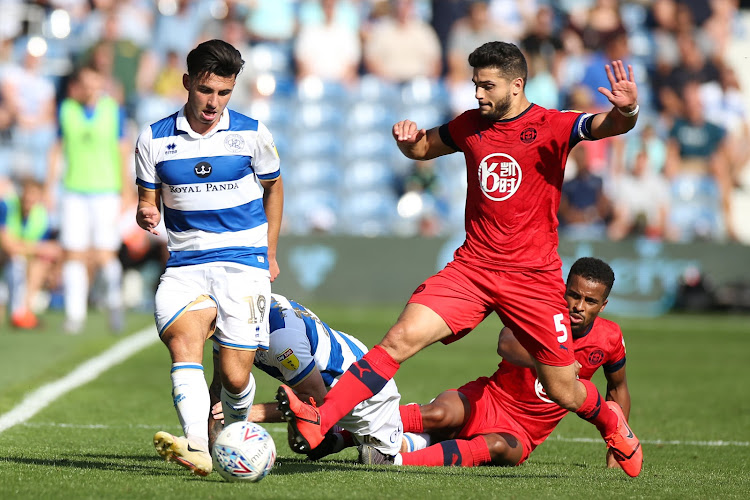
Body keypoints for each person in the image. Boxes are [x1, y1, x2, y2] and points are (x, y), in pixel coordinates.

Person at [277, 41, 643, 477]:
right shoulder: (471, 124)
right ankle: (323, 419)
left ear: (516, 84)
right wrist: (408, 142)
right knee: (399, 339)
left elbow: (610, 125)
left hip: (532, 278)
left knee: (564, 388)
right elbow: (422, 150)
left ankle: (608, 421)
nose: (478, 94)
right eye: (475, 84)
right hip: (472, 268)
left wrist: (629, 111)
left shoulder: (552, 124)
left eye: (487, 85)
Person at [134, 39, 284, 477]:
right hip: (185, 266)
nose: (212, 103)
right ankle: (197, 447)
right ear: (187, 83)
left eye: (223, 93)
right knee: (184, 345)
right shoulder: (153, 138)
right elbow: (148, 201)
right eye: (205, 91)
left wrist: (269, 252)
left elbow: (274, 188)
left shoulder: (252, 133)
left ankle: (233, 434)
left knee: (235, 378)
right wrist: (146, 211)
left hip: (243, 261)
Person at [359, 257, 633, 469]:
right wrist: (553, 362)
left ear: (603, 305)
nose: (579, 306)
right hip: (491, 399)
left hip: (524, 432)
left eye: (590, 301)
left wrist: (616, 443)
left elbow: (617, 388)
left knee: (497, 446)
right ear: (564, 289)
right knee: (438, 414)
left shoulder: (609, 338)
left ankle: (396, 461)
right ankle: (339, 432)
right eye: (574, 295)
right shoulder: (542, 313)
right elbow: (505, 342)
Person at [207, 293, 403, 461]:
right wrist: (213, 453)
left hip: (366, 396)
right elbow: (218, 388)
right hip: (330, 375)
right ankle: (339, 434)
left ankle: (417, 432)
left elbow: (316, 400)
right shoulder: (233, 321)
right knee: (301, 443)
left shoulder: (282, 341)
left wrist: (249, 412)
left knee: (378, 459)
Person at [45, 64, 131, 334]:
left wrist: (126, 189)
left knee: (106, 254)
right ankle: (75, 314)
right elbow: (57, 148)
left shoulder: (113, 111)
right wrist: (49, 186)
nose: (91, 88)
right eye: (87, 83)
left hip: (105, 190)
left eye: (96, 82)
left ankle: (114, 302)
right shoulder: (67, 110)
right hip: (73, 190)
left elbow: (122, 150)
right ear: (78, 85)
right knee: (73, 253)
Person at [0, 177, 61, 329]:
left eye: (34, 195)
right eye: (27, 194)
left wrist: (29, 248)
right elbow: (8, 245)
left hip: (19, 260)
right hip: (5, 258)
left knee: (38, 264)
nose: (29, 199)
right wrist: (36, 248)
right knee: (16, 261)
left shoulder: (41, 216)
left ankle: (23, 312)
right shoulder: (6, 207)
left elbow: (51, 249)